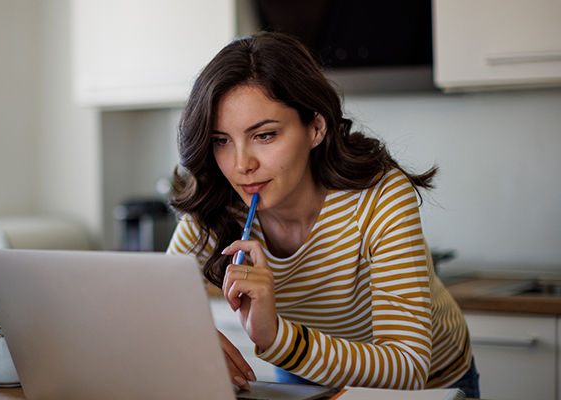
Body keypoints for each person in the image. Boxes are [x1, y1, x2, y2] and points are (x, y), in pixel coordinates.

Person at [166, 31, 479, 398]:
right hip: (306, 373)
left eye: (264, 135)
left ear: (315, 127)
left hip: (427, 386)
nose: (241, 165)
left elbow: (407, 366)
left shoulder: (380, 195)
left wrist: (278, 338)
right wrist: (190, 338)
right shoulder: (219, 199)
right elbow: (157, 306)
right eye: (221, 141)